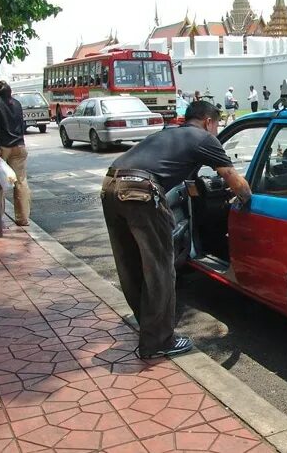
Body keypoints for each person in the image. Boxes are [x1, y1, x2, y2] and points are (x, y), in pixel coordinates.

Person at [101, 100, 251, 359]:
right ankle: (159, 341)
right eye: (216, 126)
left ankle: (148, 326)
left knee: (130, 264)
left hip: (111, 185)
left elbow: (182, 177)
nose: (215, 132)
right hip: (142, 191)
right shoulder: (205, 138)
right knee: (160, 267)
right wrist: (247, 197)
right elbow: (231, 177)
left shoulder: (168, 133)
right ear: (208, 122)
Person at [0, 82, 31, 226]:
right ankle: (23, 218)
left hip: (3, 147)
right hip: (20, 145)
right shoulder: (17, 103)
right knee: (21, 181)